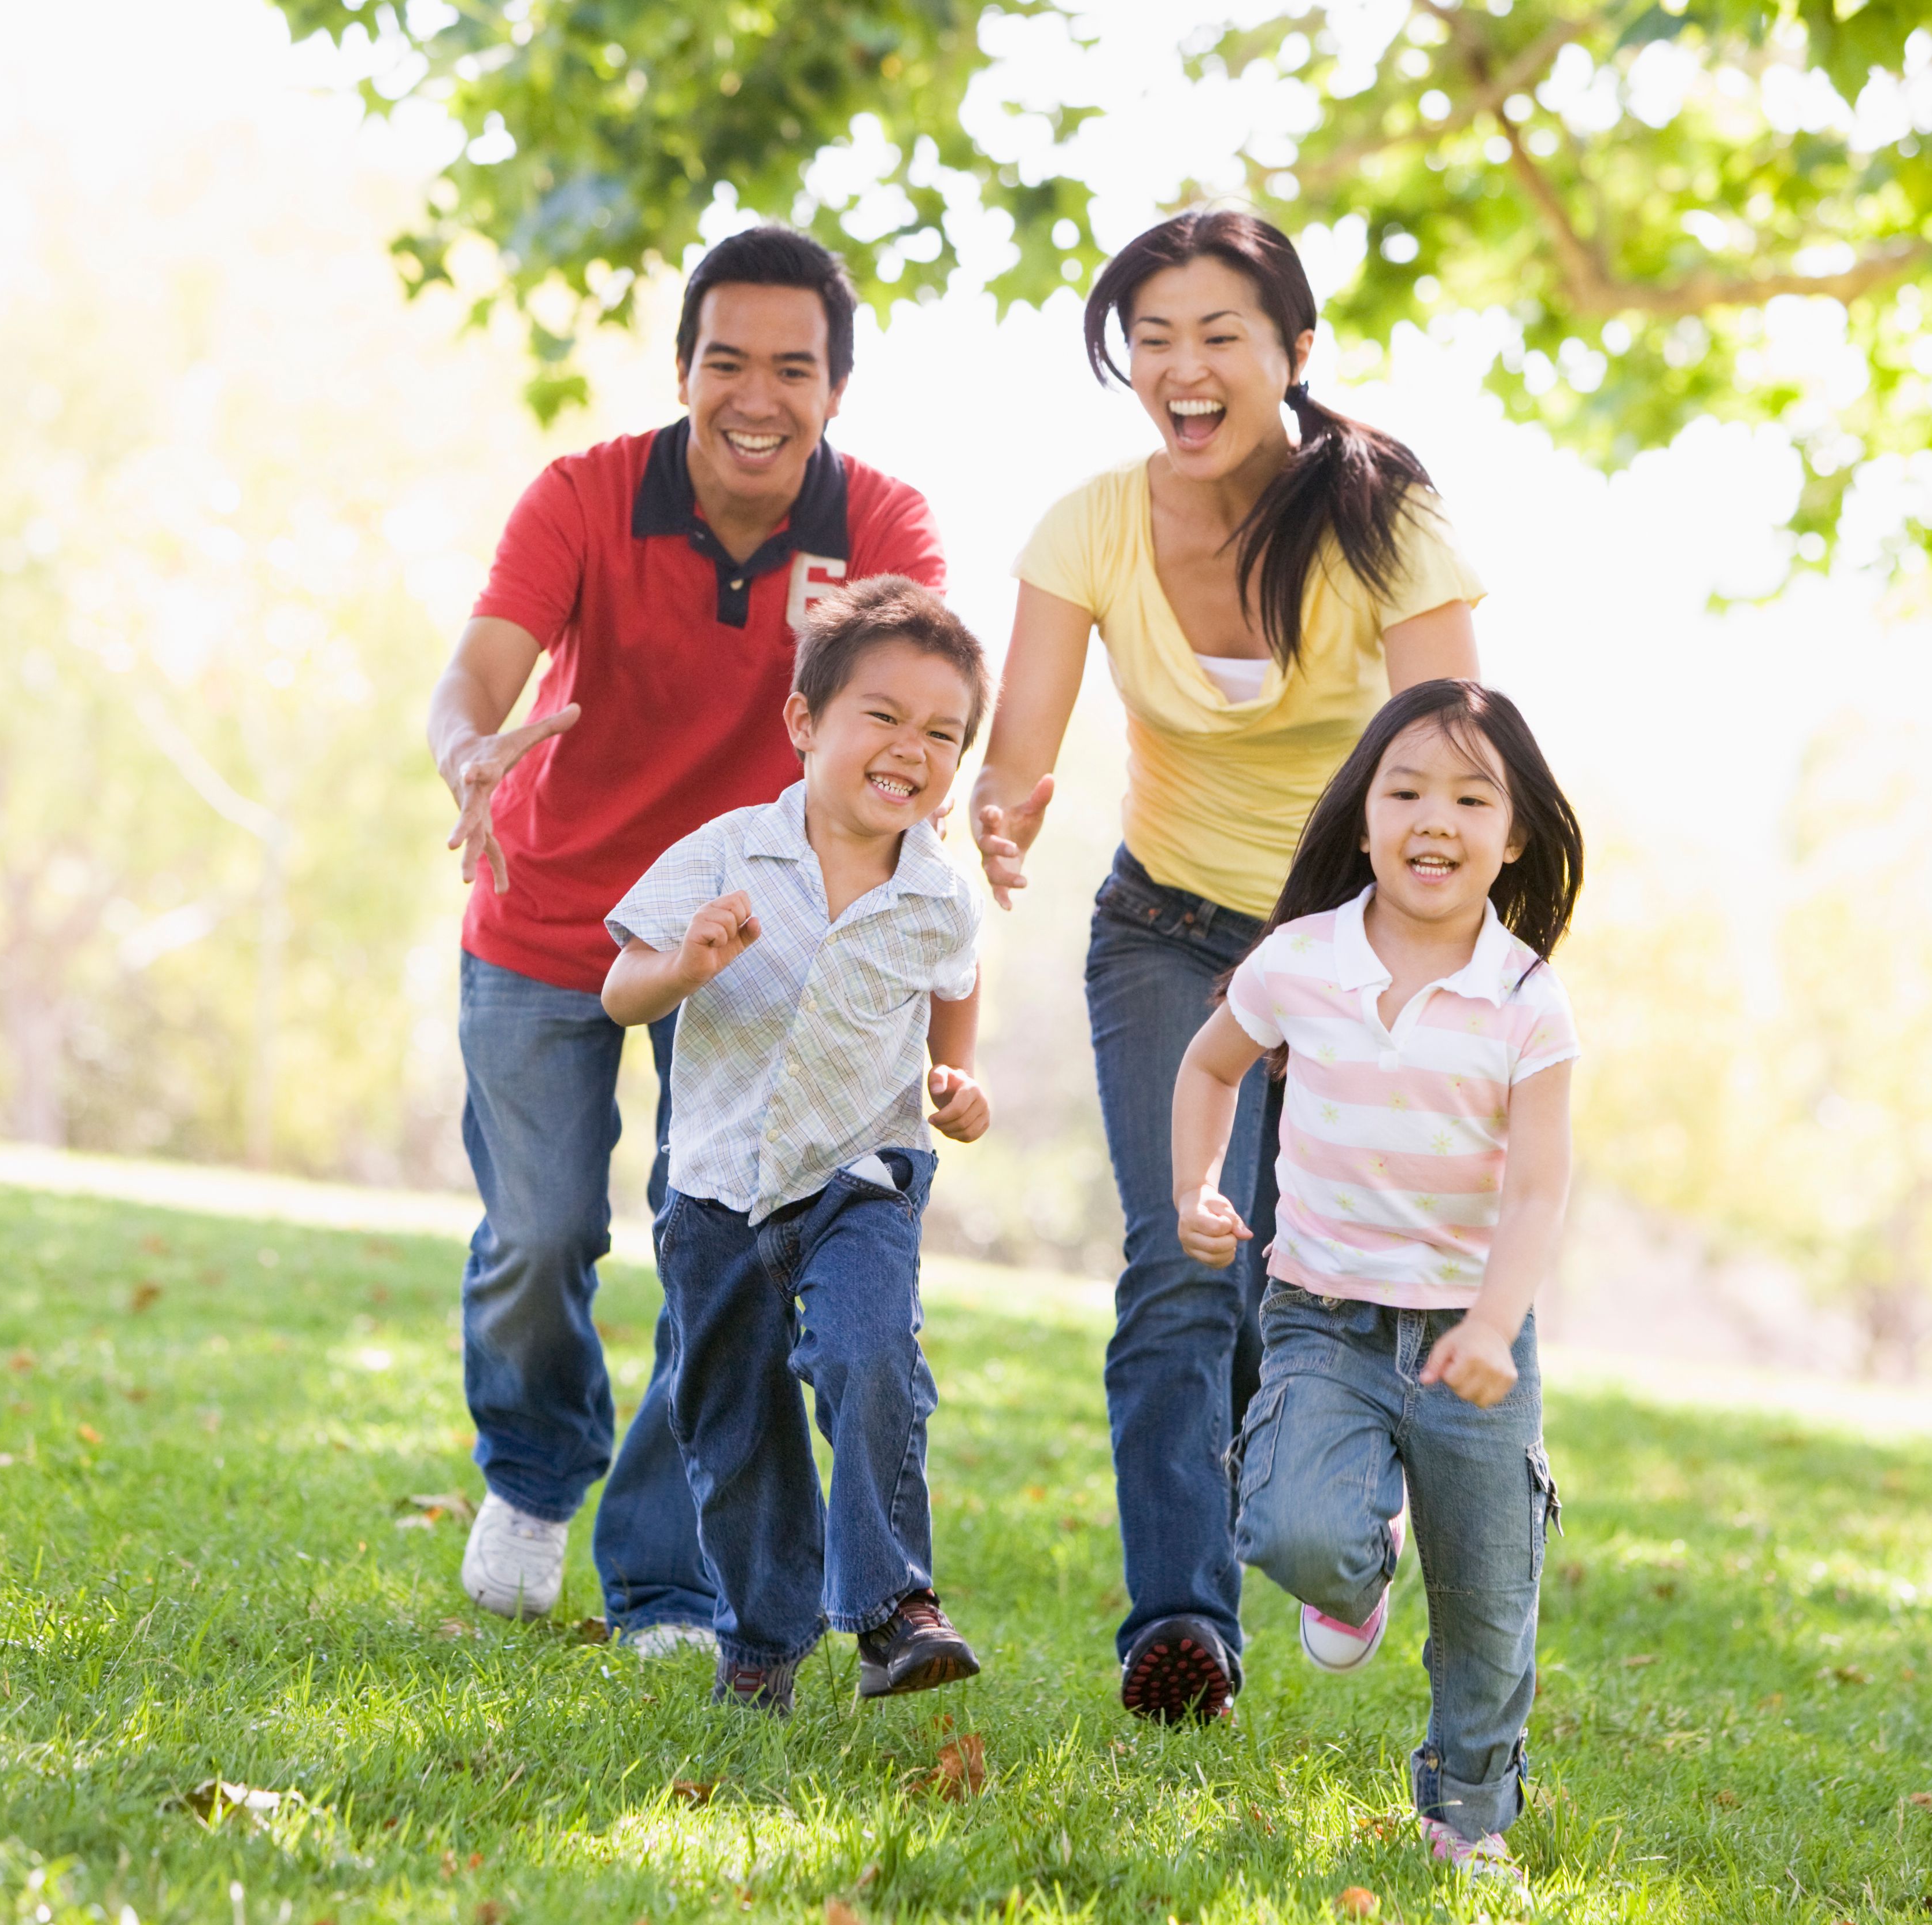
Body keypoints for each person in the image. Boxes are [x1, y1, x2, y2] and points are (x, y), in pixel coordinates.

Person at [967, 207, 1485, 1720]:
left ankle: (1332, 1510)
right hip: (1167, 936)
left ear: (1293, 356)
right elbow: (1024, 745)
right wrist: (1006, 814)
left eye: (1219, 338)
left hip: (1346, 954)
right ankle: (1178, 1630)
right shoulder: (1091, 524)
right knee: (1179, 1266)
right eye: (1153, 341)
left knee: (1298, 1289)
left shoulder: (1390, 520)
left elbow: (1456, 756)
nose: (1182, 370)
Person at [429, 226, 947, 1650]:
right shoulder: (588, 495)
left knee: (714, 1253)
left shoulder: (882, 526)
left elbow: (916, 701)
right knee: (539, 1232)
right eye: (728, 361)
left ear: (835, 388)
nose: (758, 396)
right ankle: (535, 1469)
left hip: (757, 944)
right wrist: (468, 748)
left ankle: (665, 1577)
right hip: (549, 913)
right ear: (682, 371)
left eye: (795, 367)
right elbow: (480, 664)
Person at [1173, 678, 1582, 1877]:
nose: (1433, 818)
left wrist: (1498, 1322)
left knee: (1490, 1597)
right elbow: (1209, 1067)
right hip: (1323, 1317)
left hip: (1474, 1337)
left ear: (1513, 835)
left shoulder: (1524, 999)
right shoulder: (1299, 961)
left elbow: (1541, 1186)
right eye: (1404, 790)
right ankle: (1354, 1570)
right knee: (1296, 1529)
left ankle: (1467, 1813)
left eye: (1469, 795)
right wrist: (1196, 1186)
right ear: (1362, 817)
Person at [600, 576, 994, 1713]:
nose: (911, 747)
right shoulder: (726, 855)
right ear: (805, 723)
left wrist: (956, 1081)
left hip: (863, 1181)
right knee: (735, 1426)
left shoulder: (937, 896)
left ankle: (891, 1607)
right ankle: (764, 1640)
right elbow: (621, 990)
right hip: (720, 1194)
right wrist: (685, 966)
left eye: (942, 733)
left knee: (873, 1356)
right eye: (883, 714)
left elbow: (954, 990)